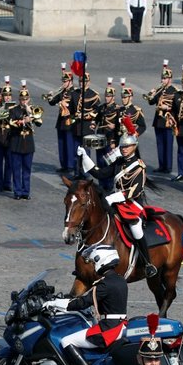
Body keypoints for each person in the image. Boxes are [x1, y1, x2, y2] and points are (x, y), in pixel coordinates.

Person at [78, 117, 159, 278]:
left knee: (135, 229)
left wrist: (113, 198)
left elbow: (133, 192)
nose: (123, 149)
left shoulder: (139, 166)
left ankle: (147, 262)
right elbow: (100, 173)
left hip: (132, 204)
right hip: (115, 200)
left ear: (134, 147)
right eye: (122, 146)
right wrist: (85, 157)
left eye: (127, 146)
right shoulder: (118, 162)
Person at [43, 244, 129, 365]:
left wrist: (56, 303)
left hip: (109, 328)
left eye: (94, 262)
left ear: (101, 260)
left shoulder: (104, 285)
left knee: (66, 341)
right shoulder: (120, 280)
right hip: (121, 325)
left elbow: (82, 303)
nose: (93, 266)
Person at [8, 83, 40, 200]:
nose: (24, 101)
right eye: (22, 99)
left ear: (29, 99)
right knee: (16, 169)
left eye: (26, 99)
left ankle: (26, 192)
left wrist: (29, 112)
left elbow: (39, 122)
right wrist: (23, 120)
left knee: (27, 169)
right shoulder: (14, 110)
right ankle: (17, 191)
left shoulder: (32, 110)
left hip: (28, 145)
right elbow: (12, 123)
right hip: (17, 143)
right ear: (19, 100)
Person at [146, 62, 179, 174]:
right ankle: (161, 165)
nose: (163, 80)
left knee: (168, 144)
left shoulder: (174, 91)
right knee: (160, 143)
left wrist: (167, 107)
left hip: (168, 120)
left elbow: (176, 106)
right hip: (158, 121)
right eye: (162, 78)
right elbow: (151, 102)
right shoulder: (160, 89)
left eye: (165, 78)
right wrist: (152, 94)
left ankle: (168, 166)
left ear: (170, 79)